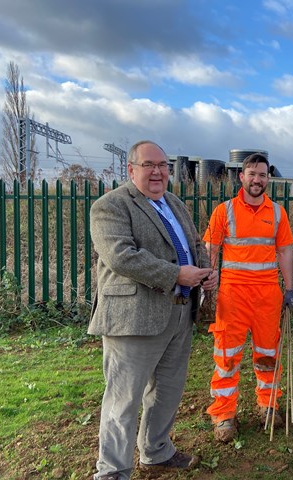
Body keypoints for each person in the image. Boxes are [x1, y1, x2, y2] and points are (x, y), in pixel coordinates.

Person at [88, 140, 218, 480]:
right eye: (149, 165)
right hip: (133, 317)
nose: (158, 171)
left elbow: (194, 244)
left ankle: (156, 451)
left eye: (163, 165)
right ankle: (113, 470)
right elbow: (121, 256)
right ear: (131, 170)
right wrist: (176, 274)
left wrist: (204, 271)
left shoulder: (174, 203)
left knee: (167, 391)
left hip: (178, 312)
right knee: (124, 399)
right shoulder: (110, 206)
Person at [203, 153, 293, 443]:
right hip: (232, 296)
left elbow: (284, 252)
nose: (257, 179)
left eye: (262, 174)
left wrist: (290, 288)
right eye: (252, 174)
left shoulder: (278, 213)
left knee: (268, 355)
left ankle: (268, 405)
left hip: (268, 295)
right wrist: (206, 289)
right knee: (227, 357)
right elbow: (210, 251)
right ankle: (224, 414)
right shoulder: (224, 211)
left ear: (268, 178)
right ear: (241, 177)